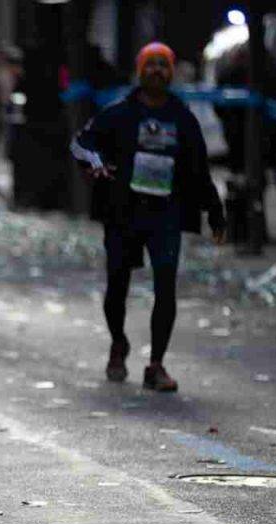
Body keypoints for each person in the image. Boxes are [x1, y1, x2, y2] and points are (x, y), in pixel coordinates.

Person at [70, 42, 227, 393]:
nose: (157, 71)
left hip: (166, 215)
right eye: (150, 65)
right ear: (139, 71)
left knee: (166, 287)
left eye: (163, 65)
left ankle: (156, 364)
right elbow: (80, 144)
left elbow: (200, 167)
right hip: (123, 212)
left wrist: (214, 209)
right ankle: (118, 343)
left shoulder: (183, 118)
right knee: (117, 285)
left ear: (171, 73)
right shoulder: (118, 113)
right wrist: (95, 165)